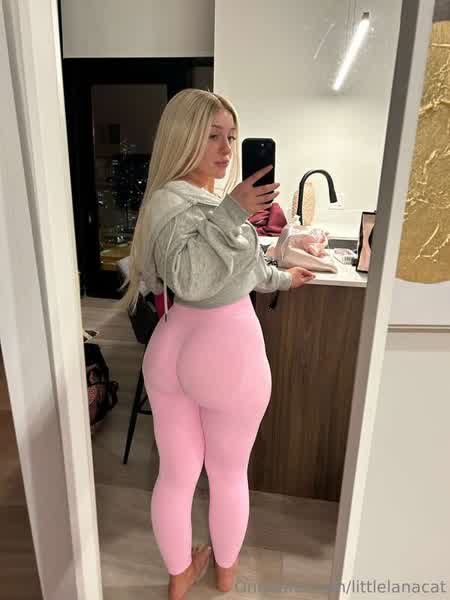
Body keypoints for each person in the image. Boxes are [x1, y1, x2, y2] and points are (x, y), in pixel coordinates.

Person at [118, 88, 315, 600]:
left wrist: (283, 277)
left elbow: (238, 270)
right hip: (226, 349)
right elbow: (192, 277)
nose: (226, 149)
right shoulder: (187, 202)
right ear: (183, 137)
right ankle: (224, 575)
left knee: (176, 475)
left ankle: (180, 576)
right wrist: (232, 214)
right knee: (227, 474)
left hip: (172, 348)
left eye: (231, 136)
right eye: (212, 136)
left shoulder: (170, 201)